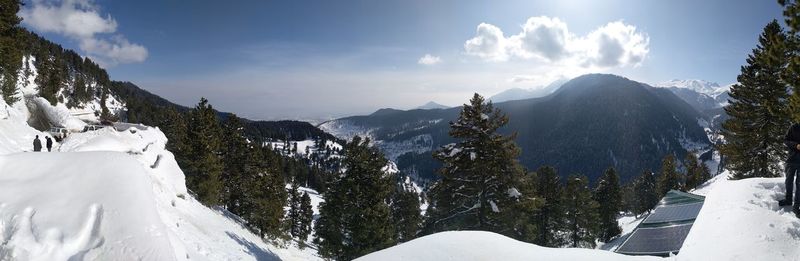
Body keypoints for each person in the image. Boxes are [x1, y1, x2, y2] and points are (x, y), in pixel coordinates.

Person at [781, 124, 800, 218]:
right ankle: (788, 200)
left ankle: (796, 207)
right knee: (788, 181)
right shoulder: (794, 127)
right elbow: (785, 140)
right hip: (791, 159)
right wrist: (796, 145)